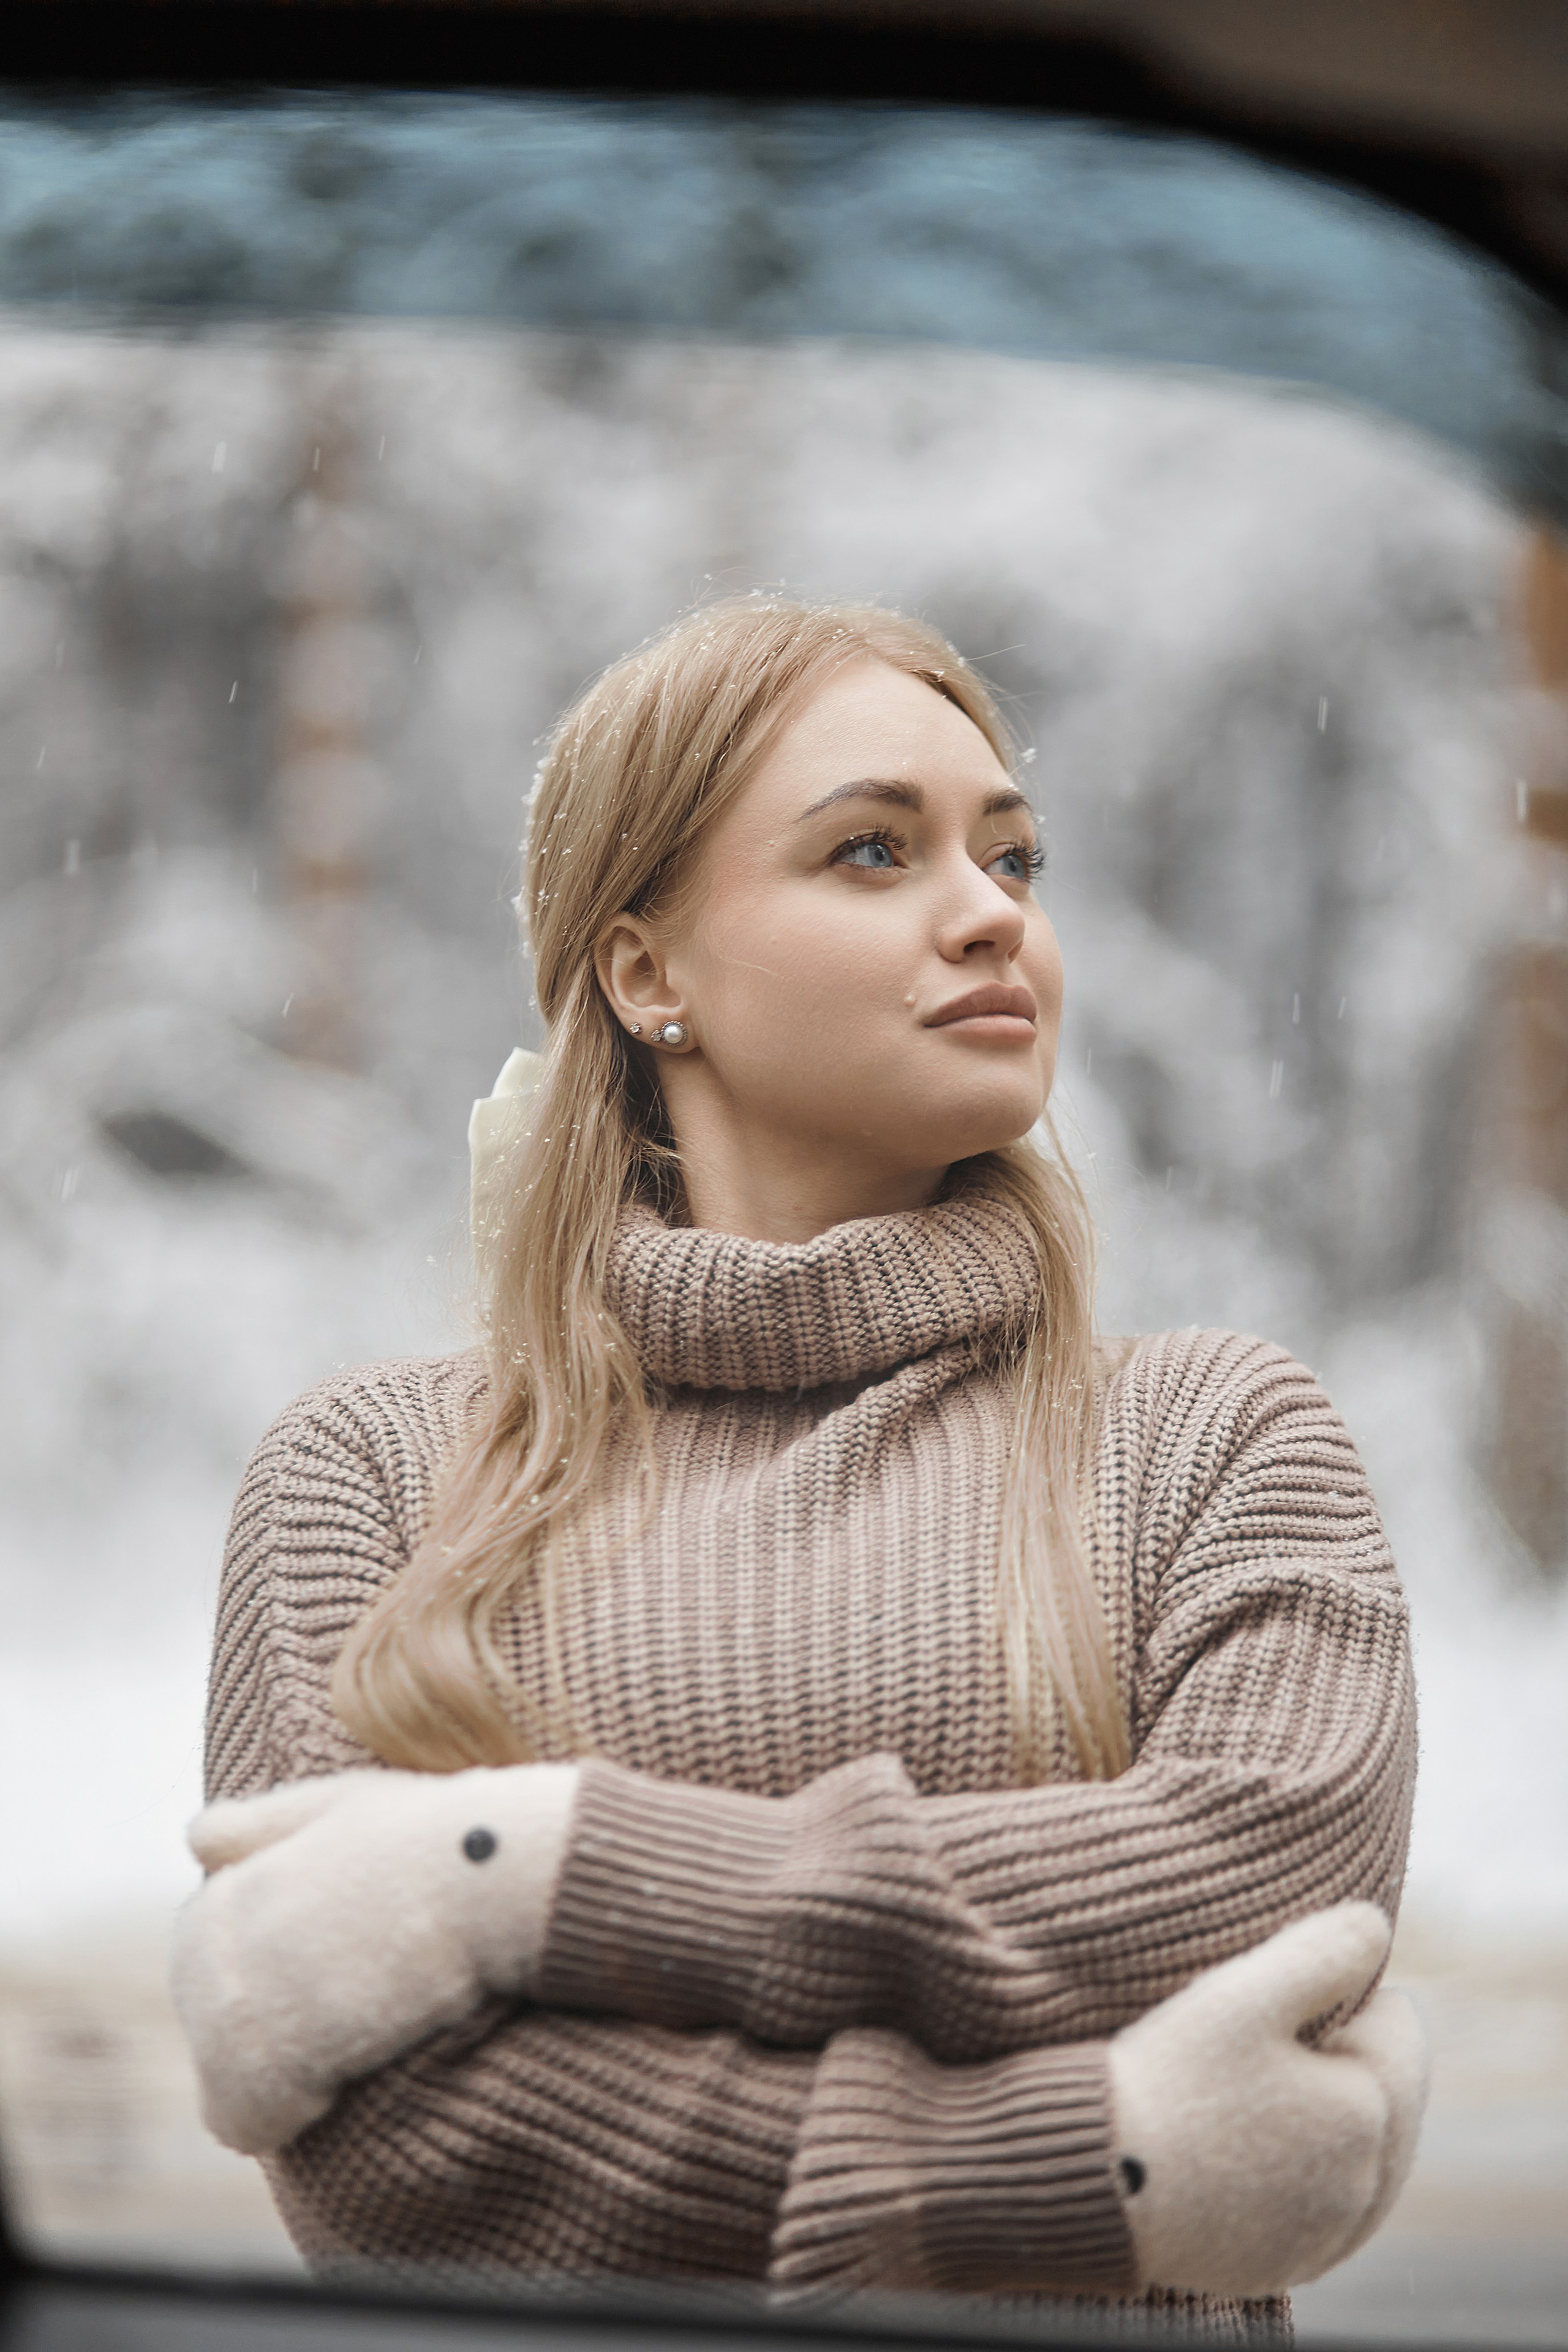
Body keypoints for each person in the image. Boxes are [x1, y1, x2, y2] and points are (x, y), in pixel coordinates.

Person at [173, 597, 1425, 2338]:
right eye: (871, 851)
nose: (993, 911)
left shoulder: (1215, 1437)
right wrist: (1092, 2157)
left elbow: (1270, 1890)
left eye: (1014, 852)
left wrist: (526, 1873)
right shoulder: (369, 1481)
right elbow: (389, 2150)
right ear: (645, 973)